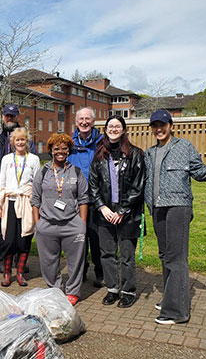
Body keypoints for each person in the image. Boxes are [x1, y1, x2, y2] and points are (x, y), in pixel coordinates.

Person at [145, 109, 206, 325]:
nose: (159, 129)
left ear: (171, 125)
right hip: (158, 208)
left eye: (163, 124)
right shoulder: (150, 153)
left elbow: (200, 174)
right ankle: (170, 298)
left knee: (176, 258)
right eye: (155, 125)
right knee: (165, 256)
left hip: (178, 207)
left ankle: (177, 312)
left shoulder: (185, 147)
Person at [89, 115, 145, 309]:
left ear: (123, 130)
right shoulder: (99, 156)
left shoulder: (135, 154)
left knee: (126, 256)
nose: (113, 129)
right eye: (110, 126)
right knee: (107, 254)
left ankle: (128, 291)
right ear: (105, 130)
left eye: (117, 126)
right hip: (104, 214)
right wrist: (102, 208)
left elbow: (138, 186)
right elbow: (93, 185)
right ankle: (112, 289)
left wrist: (122, 210)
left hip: (127, 214)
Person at [31, 133, 89, 305]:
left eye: (64, 148)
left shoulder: (76, 172)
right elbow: (35, 200)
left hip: (72, 224)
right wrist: (38, 224)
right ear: (50, 150)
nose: (60, 152)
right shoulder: (42, 172)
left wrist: (82, 224)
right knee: (48, 261)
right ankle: (54, 289)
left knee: (75, 261)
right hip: (47, 224)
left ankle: (72, 291)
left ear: (69, 151)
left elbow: (84, 199)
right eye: (56, 148)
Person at [0, 104, 35, 271]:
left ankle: (20, 261)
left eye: (12, 116)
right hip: (1, 190)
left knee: (23, 227)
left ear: (17, 117)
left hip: (23, 194)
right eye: (7, 115)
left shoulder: (27, 139)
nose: (9, 118)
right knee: (3, 228)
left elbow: (33, 164)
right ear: (2, 117)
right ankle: (2, 259)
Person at [0, 127, 40, 287]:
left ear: (27, 142)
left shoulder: (33, 159)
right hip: (10, 202)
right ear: (13, 142)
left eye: (23, 140)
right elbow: (1, 182)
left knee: (24, 239)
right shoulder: (7, 159)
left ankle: (20, 273)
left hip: (26, 203)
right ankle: (7, 273)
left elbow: (37, 184)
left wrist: (36, 205)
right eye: (17, 140)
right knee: (8, 240)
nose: (20, 142)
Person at [67, 107, 104, 288]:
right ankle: (80, 271)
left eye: (87, 119)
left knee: (96, 238)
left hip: (96, 199)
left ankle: (100, 272)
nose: (84, 122)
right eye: (81, 119)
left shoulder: (101, 143)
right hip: (75, 200)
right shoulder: (69, 144)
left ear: (93, 121)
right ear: (76, 122)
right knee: (77, 238)